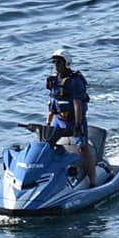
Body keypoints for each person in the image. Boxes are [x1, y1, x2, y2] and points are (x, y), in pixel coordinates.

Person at [45, 48, 96, 184]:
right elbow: (52, 103)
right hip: (58, 120)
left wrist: (78, 126)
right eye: (54, 62)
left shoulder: (75, 81)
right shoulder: (54, 80)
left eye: (59, 62)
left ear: (66, 63)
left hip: (74, 120)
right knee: (49, 144)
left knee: (82, 148)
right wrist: (48, 123)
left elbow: (77, 104)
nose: (56, 65)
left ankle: (93, 181)